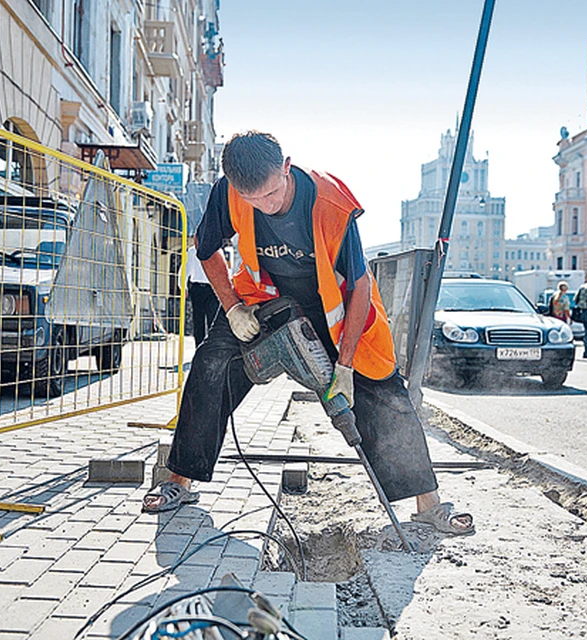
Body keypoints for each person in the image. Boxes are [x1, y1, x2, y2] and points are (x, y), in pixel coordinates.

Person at [142, 131, 473, 535]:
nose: (266, 205)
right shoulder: (227, 192)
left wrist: (346, 366)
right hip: (260, 302)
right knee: (210, 368)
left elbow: (360, 284)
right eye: (253, 201)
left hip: (329, 308)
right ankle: (179, 480)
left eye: (272, 194)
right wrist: (231, 309)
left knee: (385, 394)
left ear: (286, 167)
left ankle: (428, 503)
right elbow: (206, 247)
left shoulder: (330, 202)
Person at [185, 243, 221, 347]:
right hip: (205, 288)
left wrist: (184, 287)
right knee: (204, 319)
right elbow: (185, 269)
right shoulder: (194, 251)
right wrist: (184, 287)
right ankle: (202, 348)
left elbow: (185, 269)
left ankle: (206, 347)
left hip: (207, 288)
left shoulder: (215, 250)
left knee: (206, 320)